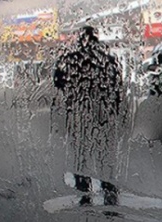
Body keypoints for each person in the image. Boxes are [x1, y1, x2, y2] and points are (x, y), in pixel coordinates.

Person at [53, 26, 126, 205]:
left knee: (81, 150)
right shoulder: (107, 58)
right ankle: (108, 188)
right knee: (102, 150)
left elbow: (58, 78)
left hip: (80, 108)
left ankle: (84, 189)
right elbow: (116, 83)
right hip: (102, 108)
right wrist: (114, 106)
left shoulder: (71, 58)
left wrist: (70, 92)